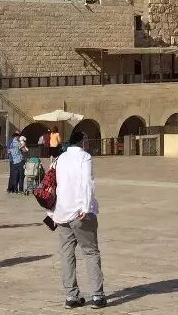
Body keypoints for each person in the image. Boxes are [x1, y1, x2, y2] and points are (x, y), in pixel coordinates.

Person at [52, 129, 106, 309]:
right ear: (82, 140)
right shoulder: (84, 157)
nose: (88, 142)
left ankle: (71, 296)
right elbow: (87, 182)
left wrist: (52, 212)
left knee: (67, 254)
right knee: (90, 252)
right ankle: (97, 295)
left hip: (62, 212)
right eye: (87, 138)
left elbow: (54, 184)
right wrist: (86, 206)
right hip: (79, 212)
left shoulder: (60, 158)